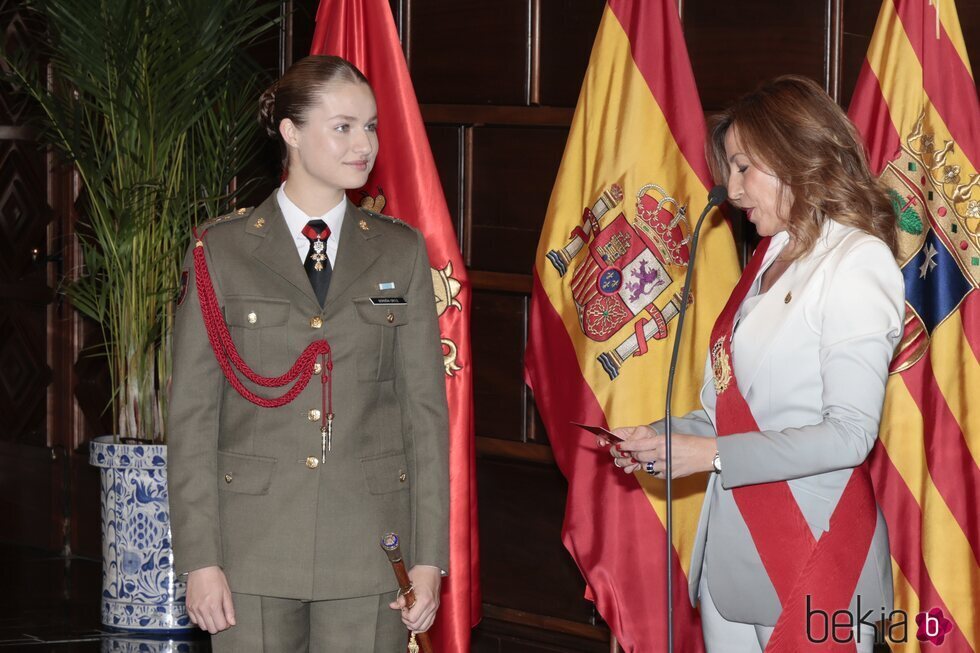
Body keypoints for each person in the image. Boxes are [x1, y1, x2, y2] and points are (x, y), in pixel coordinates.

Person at [607, 76, 904, 652]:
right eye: (730, 169)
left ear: (798, 156)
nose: (732, 189)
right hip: (734, 564)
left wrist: (709, 453)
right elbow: (732, 415)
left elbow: (849, 435)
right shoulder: (767, 259)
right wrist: (664, 438)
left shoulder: (856, 261)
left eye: (744, 167)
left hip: (814, 553)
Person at [167, 55, 450, 652]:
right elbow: (193, 416)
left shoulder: (399, 252)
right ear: (291, 132)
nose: (364, 144)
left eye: (370, 126)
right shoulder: (222, 250)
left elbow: (424, 414)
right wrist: (200, 559)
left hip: (368, 543)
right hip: (253, 547)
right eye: (343, 126)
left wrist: (430, 558)